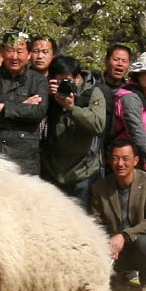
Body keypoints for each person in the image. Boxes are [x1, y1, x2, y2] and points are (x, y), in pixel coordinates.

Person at [0, 31, 49, 177]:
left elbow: (37, 113)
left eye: (20, 51)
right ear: (4, 52)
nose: (14, 57)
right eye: (10, 51)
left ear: (29, 54)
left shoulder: (38, 81)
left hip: (24, 161)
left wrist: (1, 107)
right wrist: (21, 107)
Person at [91, 139, 146, 291]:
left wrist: (124, 236)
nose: (120, 164)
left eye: (125, 159)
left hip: (142, 245)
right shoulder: (100, 188)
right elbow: (96, 224)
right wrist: (108, 242)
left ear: (136, 160)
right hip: (115, 250)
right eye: (115, 158)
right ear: (110, 161)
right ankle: (120, 273)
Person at [41, 56, 107, 205]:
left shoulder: (92, 93)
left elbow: (97, 125)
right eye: (58, 82)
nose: (62, 86)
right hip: (53, 170)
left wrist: (71, 107)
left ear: (77, 78)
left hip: (83, 171)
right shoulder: (48, 93)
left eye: (66, 81)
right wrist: (46, 96)